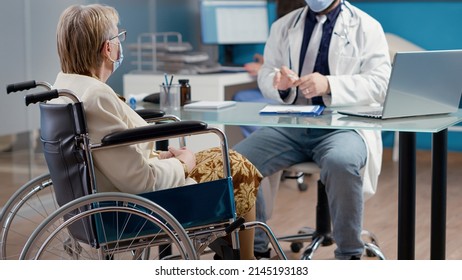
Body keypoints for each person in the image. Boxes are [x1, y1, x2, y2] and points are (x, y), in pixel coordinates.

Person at [53, 4, 262, 260]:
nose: (120, 44)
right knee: (238, 166)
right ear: (108, 48)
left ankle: (228, 250)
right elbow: (142, 182)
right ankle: (247, 261)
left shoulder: (66, 87)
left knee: (224, 158)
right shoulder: (97, 96)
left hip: (114, 190)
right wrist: (183, 164)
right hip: (138, 205)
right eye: (119, 38)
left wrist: (162, 157)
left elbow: (113, 154)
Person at [233, 0, 391, 260]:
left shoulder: (367, 26)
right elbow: (267, 72)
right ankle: (254, 250)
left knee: (341, 161)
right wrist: (279, 84)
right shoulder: (284, 25)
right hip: (292, 124)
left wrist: (329, 84)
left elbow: (381, 83)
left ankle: (350, 254)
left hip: (343, 126)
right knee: (239, 161)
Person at [233, 0, 306, 138]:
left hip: (296, 94)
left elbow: (295, 69)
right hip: (290, 90)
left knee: (241, 100)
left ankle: (269, 137)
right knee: (241, 96)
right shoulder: (284, 27)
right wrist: (267, 65)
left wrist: (263, 69)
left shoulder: (294, 26)